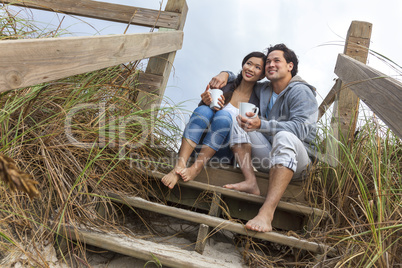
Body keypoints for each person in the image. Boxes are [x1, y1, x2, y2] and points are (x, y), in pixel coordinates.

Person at [209, 44, 318, 232]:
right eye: (268, 61)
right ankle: (251, 181)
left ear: (290, 66)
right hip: (272, 156)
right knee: (240, 118)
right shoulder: (265, 89)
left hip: (300, 162)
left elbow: (301, 129)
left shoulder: (301, 91)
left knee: (285, 136)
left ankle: (267, 213)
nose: (271, 64)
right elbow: (246, 77)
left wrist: (262, 125)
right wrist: (225, 73)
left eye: (277, 60)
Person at [161, 51, 266, 190]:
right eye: (249, 63)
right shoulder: (225, 85)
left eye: (258, 67)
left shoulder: (259, 101)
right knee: (204, 110)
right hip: (198, 145)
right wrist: (205, 101)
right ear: (243, 64)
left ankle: (196, 168)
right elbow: (199, 115)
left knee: (224, 117)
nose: (251, 69)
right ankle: (179, 166)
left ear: (262, 75)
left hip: (223, 154)